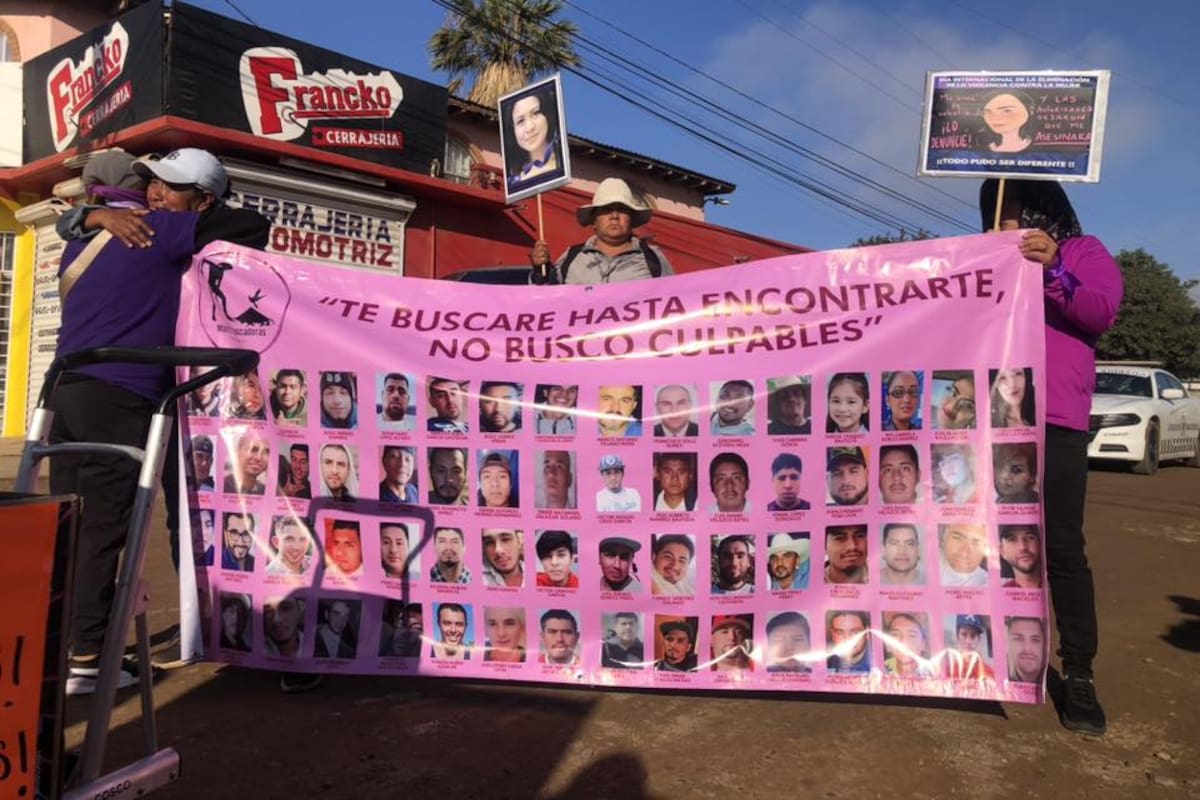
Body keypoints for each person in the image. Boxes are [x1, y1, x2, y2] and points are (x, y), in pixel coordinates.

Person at [529, 177, 673, 285]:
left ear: (632, 219)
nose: (614, 216)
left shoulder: (653, 259)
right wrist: (540, 270)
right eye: (606, 210)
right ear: (594, 221)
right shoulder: (571, 258)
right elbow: (546, 299)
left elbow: (674, 302)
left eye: (622, 210)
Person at [504, 84, 564, 194]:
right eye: (520, 121)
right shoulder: (514, 180)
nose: (530, 128)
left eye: (536, 113)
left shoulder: (561, 164)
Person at [944, 614, 996, 681]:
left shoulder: (989, 673)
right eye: (964, 634)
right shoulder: (948, 672)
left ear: (979, 639)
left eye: (973, 636)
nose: (968, 641)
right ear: (957, 637)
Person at [883, 613, 933, 678]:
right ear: (888, 645)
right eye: (895, 635)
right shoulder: (879, 671)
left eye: (911, 636)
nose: (903, 642)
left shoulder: (933, 672)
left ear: (924, 644)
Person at [1005, 616, 1047, 684]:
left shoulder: (1054, 682)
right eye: (1019, 639)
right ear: (1008, 642)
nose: (1027, 648)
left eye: (1035, 640)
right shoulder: (995, 680)